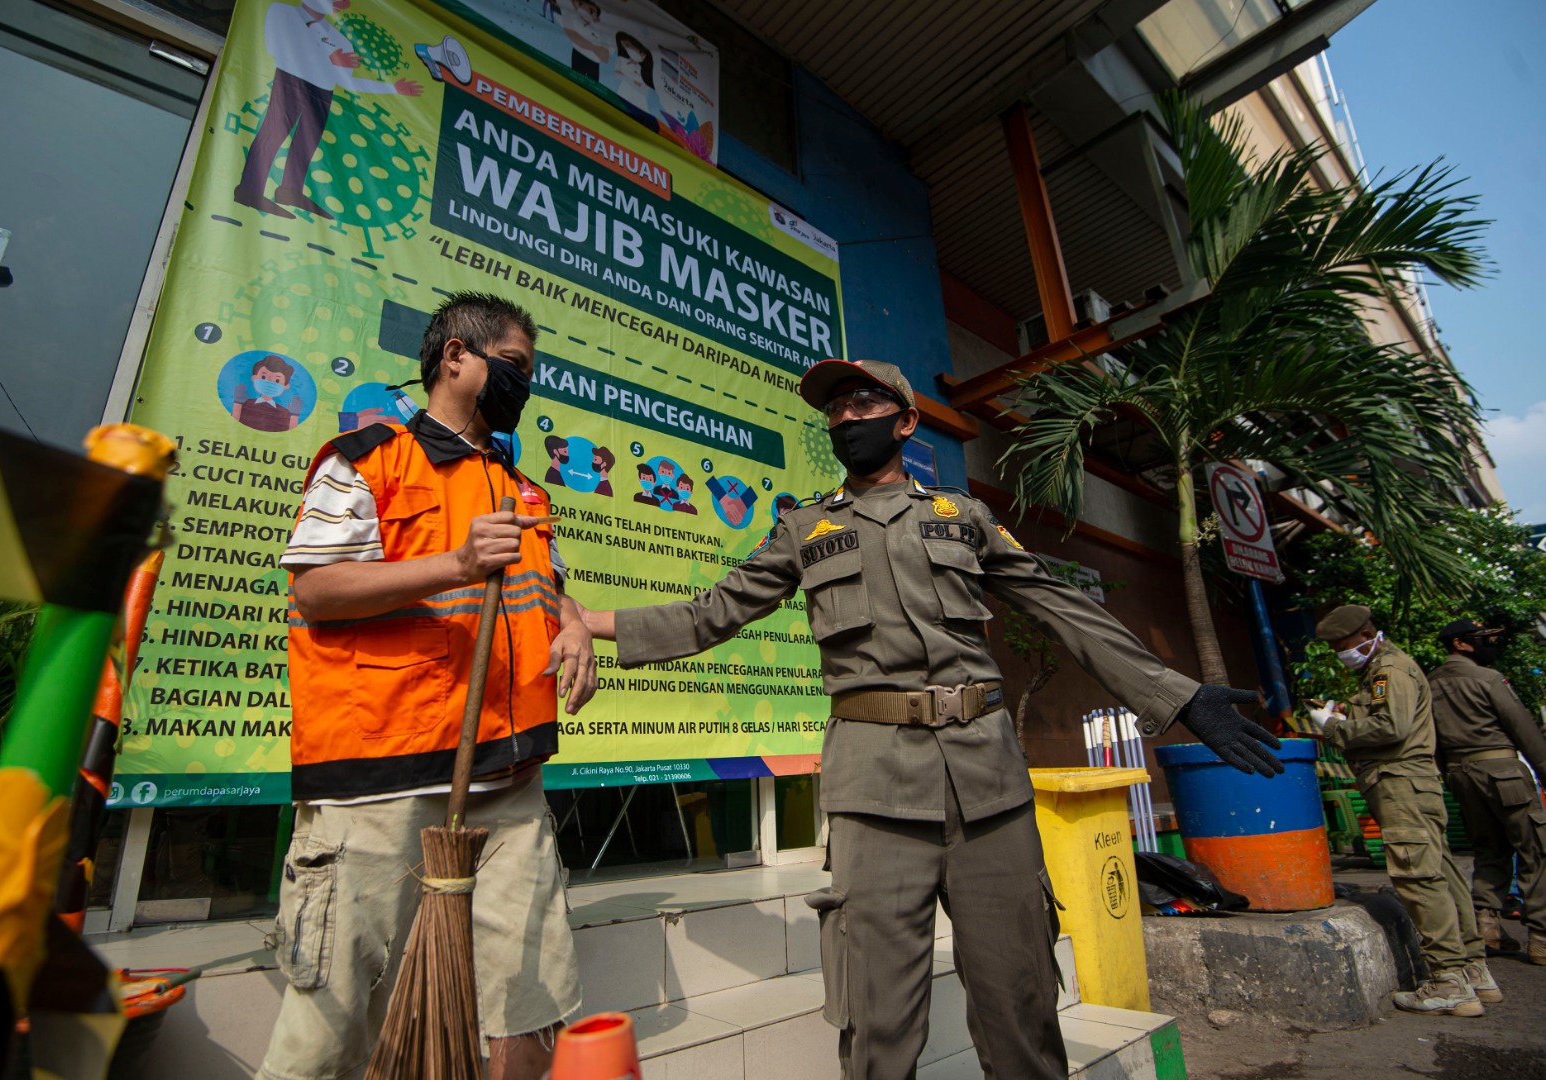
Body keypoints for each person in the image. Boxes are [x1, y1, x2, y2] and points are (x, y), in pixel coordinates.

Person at [578, 358, 1282, 1080]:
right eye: (836, 410)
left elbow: (1061, 608)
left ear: (906, 421)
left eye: (863, 402)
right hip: (873, 792)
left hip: (990, 789)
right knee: (877, 1023)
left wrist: (1181, 696)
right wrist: (587, 620)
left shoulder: (965, 519)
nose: (847, 418)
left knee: (1022, 1006)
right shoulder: (804, 527)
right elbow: (710, 615)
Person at [258, 291, 596, 1080]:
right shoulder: (369, 459)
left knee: (529, 1005)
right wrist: (454, 564)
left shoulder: (523, 489)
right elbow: (313, 590)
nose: (524, 385)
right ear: (455, 358)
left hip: (510, 785)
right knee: (335, 1030)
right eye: (513, 366)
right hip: (384, 784)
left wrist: (574, 623)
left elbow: (549, 587)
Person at [1312, 605, 1498, 1015]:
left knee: (1418, 876)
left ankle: (1448, 980)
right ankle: (1472, 971)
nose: (1340, 655)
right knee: (1441, 871)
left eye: (1342, 646)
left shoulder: (1389, 669)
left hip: (1400, 783)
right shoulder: (1383, 670)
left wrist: (1331, 727)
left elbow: (1390, 728)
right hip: (1414, 784)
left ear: (1364, 634)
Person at [1426, 618, 1546, 964]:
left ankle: (1488, 926)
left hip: (1460, 776)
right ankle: (1540, 936)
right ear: (1461, 644)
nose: (1491, 645)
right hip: (1503, 772)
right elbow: (1522, 729)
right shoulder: (1488, 679)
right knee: (1535, 849)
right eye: (1484, 640)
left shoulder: (1429, 683)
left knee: (1489, 849)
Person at [235, 0, 423, 219]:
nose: (340, 3)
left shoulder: (340, 40)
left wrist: (393, 88)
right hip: (290, 82)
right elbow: (275, 47)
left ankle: (290, 191)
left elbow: (347, 82)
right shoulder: (283, 11)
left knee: (306, 145)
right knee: (273, 133)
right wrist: (327, 57)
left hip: (323, 93)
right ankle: (250, 189)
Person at [233, 355, 303, 432]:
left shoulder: (284, 413)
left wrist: (294, 416)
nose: (269, 382)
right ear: (254, 378)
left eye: (277, 380)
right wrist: (237, 404)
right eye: (263, 377)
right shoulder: (245, 404)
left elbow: (288, 436)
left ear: (286, 386)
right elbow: (233, 428)